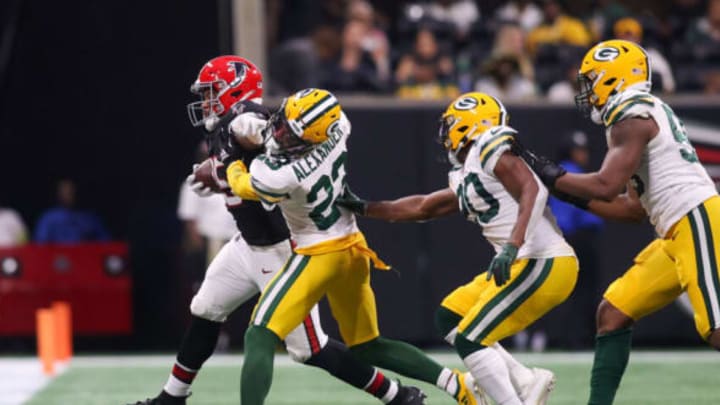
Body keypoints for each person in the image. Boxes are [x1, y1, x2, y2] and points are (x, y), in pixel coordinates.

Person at [129, 57, 427, 405]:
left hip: (280, 250)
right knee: (206, 308)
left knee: (309, 349)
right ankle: (171, 397)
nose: (207, 101)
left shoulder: (244, 119)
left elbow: (262, 135)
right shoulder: (225, 126)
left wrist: (226, 171)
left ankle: (397, 395)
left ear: (233, 90)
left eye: (212, 92)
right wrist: (219, 173)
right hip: (246, 244)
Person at [225, 88, 489, 405]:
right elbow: (287, 133)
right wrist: (269, 128)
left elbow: (243, 183)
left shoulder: (279, 175)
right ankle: (460, 386)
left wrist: (231, 159)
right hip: (352, 246)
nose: (281, 136)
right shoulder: (339, 128)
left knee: (260, 334)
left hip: (318, 254)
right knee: (368, 344)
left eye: (290, 134)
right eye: (282, 125)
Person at [337, 92, 579, 405]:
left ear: (470, 124)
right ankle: (525, 379)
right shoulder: (470, 170)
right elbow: (423, 207)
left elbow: (533, 189)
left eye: (451, 126)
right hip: (524, 261)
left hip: (541, 259)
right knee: (450, 316)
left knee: (471, 339)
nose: (446, 136)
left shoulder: (488, 144)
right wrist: (365, 207)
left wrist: (512, 245)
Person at [515, 39, 720, 405]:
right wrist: (561, 187)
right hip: (675, 231)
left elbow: (606, 186)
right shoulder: (634, 114)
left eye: (592, 80)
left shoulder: (632, 115)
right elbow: (630, 208)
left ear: (615, 78)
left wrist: (549, 174)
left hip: (696, 218)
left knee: (717, 328)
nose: (587, 90)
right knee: (614, 312)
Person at [546, 131, 604, 349]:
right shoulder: (569, 174)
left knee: (578, 291)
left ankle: (575, 336)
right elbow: (564, 218)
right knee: (582, 291)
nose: (583, 154)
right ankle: (576, 338)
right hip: (576, 239)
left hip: (573, 238)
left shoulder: (566, 173)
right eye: (578, 150)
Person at [34, 179, 110, 243]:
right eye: (66, 192)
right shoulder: (48, 218)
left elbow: (106, 242)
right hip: (58, 258)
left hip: (86, 257)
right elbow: (40, 243)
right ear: (59, 194)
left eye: (72, 191)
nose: (70, 195)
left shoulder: (90, 218)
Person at [613, 17, 675, 94]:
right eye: (623, 36)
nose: (627, 40)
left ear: (639, 38)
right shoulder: (610, 59)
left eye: (631, 36)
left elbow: (669, 87)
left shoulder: (652, 56)